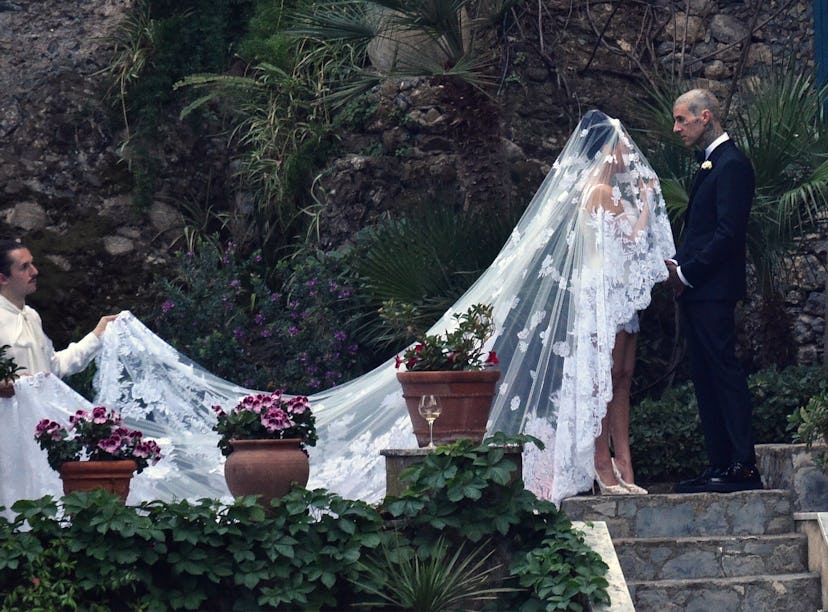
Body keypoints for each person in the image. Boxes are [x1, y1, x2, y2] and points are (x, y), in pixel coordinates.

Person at [666, 89, 762, 493]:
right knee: (705, 377)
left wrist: (687, 272)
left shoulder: (732, 165)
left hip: (713, 290)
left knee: (723, 373)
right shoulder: (708, 164)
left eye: (682, 120)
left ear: (705, 117)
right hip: (697, 290)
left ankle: (743, 466)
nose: (676, 128)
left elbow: (727, 234)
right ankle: (719, 463)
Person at [0, 239, 117, 388]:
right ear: (3, 278)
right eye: (24, 267)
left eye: (32, 264)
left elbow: (54, 367)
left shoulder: (31, 316)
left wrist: (97, 335)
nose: (34, 272)